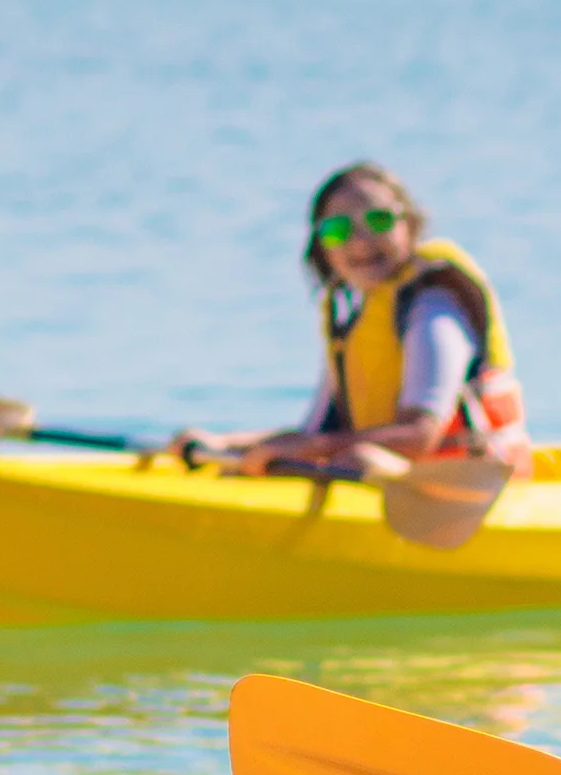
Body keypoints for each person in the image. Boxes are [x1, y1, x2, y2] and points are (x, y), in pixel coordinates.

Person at [161, 163, 532, 547]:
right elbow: (316, 434)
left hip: (469, 498)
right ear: (322, 249)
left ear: (411, 224)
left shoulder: (434, 307)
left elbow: (420, 434)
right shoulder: (355, 323)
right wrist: (225, 444)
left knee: (363, 457)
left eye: (378, 219)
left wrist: (307, 449)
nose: (360, 240)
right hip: (399, 486)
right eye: (338, 230)